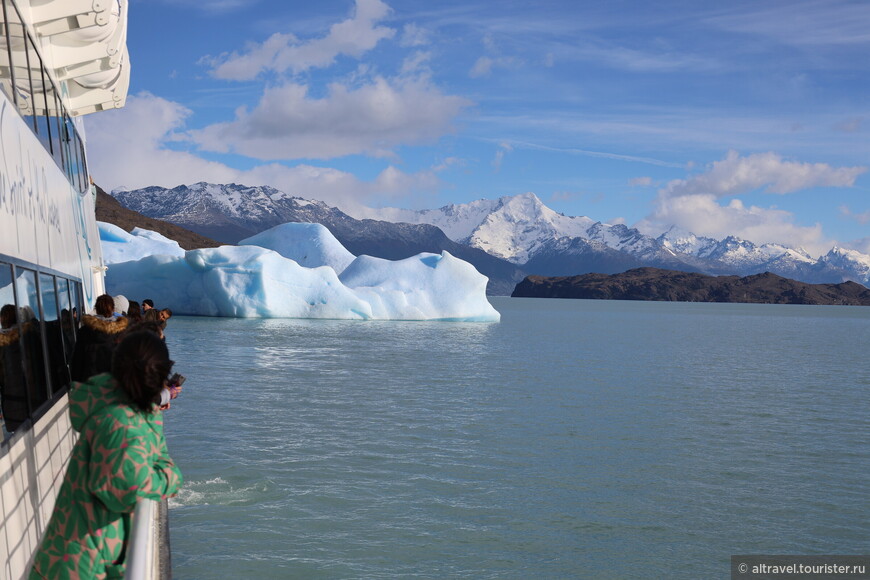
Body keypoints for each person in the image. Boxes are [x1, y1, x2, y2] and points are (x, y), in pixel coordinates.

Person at [29, 331, 183, 579]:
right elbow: (126, 488)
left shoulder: (111, 405)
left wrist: (150, 406)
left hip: (74, 557)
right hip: (82, 567)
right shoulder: (121, 423)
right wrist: (170, 477)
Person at [70, 295, 129, 382]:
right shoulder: (122, 332)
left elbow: (77, 361)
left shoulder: (85, 331)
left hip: (90, 385)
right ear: (113, 309)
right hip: (115, 386)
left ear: (96, 309)